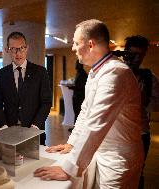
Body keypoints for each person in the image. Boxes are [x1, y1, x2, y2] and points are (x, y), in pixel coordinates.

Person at [34, 19, 144, 188]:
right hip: (99, 153)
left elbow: (95, 125)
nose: (73, 48)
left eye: (76, 43)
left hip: (117, 160)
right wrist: (72, 142)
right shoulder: (96, 72)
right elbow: (86, 112)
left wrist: (68, 169)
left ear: (90, 45)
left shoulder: (115, 73)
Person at [0, 31, 52, 145]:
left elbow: (46, 102)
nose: (18, 53)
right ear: (7, 50)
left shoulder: (40, 72)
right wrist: (4, 128)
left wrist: (35, 127)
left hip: (35, 132)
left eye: (21, 48)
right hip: (9, 134)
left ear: (27, 48)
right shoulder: (0, 74)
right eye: (14, 49)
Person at [123, 35, 159, 189]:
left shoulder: (150, 78)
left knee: (138, 173)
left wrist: (145, 100)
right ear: (126, 53)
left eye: (141, 55)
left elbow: (156, 106)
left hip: (140, 133)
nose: (137, 59)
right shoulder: (115, 74)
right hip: (118, 133)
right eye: (133, 54)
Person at [68, 60, 88, 132]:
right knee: (76, 112)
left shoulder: (83, 74)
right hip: (76, 96)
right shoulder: (79, 73)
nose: (75, 66)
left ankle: (77, 128)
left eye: (77, 64)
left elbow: (80, 87)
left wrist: (71, 87)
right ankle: (75, 127)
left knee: (78, 113)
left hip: (79, 97)